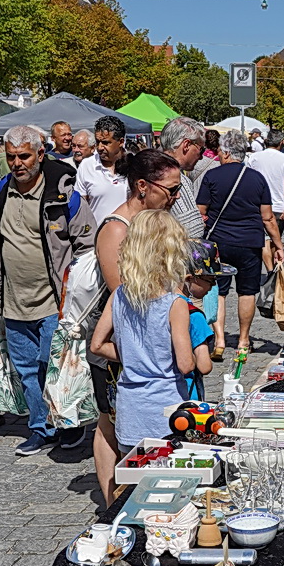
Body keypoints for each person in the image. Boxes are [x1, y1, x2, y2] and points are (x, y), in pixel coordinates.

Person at [0, 125, 95, 456]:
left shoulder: (63, 195)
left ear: (40, 154)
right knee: (26, 370)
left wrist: (73, 288)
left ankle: (69, 426)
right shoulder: (0, 192)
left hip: (54, 302)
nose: (17, 163)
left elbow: (87, 246)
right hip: (13, 301)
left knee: (58, 368)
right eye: (11, 157)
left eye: (24, 156)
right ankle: (40, 427)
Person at [89, 148, 183, 504]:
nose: (175, 197)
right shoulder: (117, 229)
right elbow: (129, 298)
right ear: (142, 186)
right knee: (110, 424)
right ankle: (115, 505)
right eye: (170, 190)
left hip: (142, 348)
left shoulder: (152, 224)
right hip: (124, 347)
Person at [90, 211, 198, 451]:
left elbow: (97, 345)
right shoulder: (174, 303)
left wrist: (132, 356)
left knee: (136, 480)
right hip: (166, 413)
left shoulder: (118, 295)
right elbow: (185, 364)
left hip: (130, 412)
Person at [196, 126, 284, 359]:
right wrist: (278, 245)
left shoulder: (212, 176)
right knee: (247, 292)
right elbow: (267, 217)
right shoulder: (256, 178)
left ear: (225, 153)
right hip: (249, 242)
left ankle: (221, 340)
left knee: (219, 291)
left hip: (218, 243)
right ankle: (244, 340)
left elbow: (201, 211)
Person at [159, 116, 210, 242]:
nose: (201, 157)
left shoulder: (151, 169)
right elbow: (192, 230)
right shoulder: (172, 176)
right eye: (201, 149)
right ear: (186, 145)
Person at [248, 130, 284, 263]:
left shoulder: (254, 157)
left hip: (257, 204)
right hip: (278, 205)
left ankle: (270, 270)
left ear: (266, 141)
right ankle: (275, 270)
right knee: (276, 239)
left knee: (263, 240)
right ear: (281, 143)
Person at [73, 115, 128, 226]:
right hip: (97, 238)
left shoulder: (136, 164)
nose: (100, 147)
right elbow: (80, 207)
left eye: (106, 143)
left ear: (121, 141)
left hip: (130, 238)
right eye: (98, 142)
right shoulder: (87, 166)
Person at [182, 245, 219, 400]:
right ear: (190, 278)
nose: (213, 286)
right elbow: (204, 366)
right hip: (188, 397)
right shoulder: (195, 316)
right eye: (210, 280)